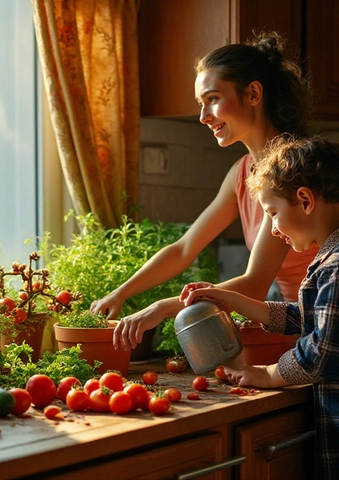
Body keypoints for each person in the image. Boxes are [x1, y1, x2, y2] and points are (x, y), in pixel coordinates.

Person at [181, 135, 339, 479]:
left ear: (305, 200)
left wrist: (269, 374)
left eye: (272, 213)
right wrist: (234, 300)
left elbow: (325, 351)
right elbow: (309, 317)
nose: (274, 228)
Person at [90, 32, 319, 351]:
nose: (203, 116)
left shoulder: (291, 168)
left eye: (212, 98)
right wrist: (121, 293)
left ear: (253, 93)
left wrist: (162, 309)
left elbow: (253, 285)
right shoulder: (243, 172)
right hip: (298, 323)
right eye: (201, 103)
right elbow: (184, 248)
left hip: (325, 326)